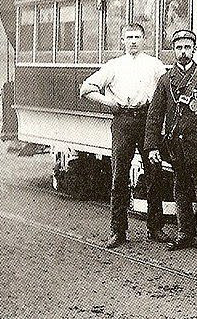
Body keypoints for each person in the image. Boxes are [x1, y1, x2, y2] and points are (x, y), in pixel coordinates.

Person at [79, 23, 170, 249]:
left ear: (145, 39)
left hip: (148, 122)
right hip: (122, 122)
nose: (133, 41)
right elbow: (86, 89)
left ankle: (155, 228)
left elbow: (169, 93)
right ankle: (118, 231)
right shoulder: (114, 66)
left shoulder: (155, 65)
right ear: (122, 40)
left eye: (137, 37)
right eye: (128, 37)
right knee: (119, 176)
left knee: (154, 173)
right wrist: (109, 102)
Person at [144, 29, 197, 253]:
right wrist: (151, 146)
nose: (183, 52)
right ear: (174, 51)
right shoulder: (165, 80)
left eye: (187, 48)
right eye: (179, 48)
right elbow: (154, 115)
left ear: (194, 49)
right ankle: (184, 233)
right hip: (177, 145)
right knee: (180, 190)